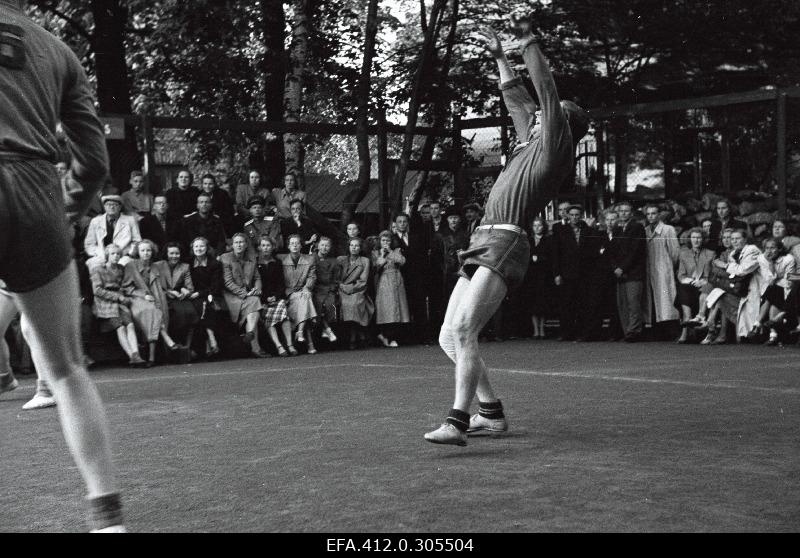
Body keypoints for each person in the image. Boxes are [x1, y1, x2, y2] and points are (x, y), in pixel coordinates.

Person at [424, 16, 588, 446]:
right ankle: (491, 415)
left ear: (560, 128)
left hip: (506, 241)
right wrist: (501, 58)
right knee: (449, 337)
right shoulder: (528, 143)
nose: (535, 118)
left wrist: (529, 43)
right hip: (483, 240)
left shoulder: (554, 150)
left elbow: (545, 96)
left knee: (463, 332)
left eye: (547, 118)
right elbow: (519, 100)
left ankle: (457, 421)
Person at [0, 0, 124, 530]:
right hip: (34, 192)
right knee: (70, 372)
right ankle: (108, 519)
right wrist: (65, 210)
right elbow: (94, 162)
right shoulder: (57, 48)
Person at [123, 239, 183, 366]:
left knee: (156, 310)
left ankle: (152, 358)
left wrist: (170, 292)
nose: (146, 253)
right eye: (143, 250)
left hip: (154, 297)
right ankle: (164, 343)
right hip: (136, 299)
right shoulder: (131, 266)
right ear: (138, 252)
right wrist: (143, 295)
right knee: (152, 311)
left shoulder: (155, 266)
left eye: (148, 250)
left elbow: (161, 286)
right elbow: (126, 288)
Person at [91, 245, 146, 366]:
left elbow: (125, 285)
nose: (115, 256)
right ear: (107, 255)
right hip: (105, 304)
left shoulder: (121, 269)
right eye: (112, 254)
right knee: (120, 327)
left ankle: (136, 354)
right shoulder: (98, 269)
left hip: (120, 303)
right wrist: (118, 297)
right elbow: (97, 290)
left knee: (130, 325)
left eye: (117, 254)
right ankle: (131, 356)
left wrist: (124, 296)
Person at [220, 233, 268, 358]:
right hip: (231, 296)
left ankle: (250, 334)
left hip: (247, 295)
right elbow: (228, 282)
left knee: (254, 303)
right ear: (232, 245)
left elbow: (257, 277)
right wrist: (246, 294)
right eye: (236, 242)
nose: (239, 245)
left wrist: (257, 288)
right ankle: (255, 346)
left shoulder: (251, 259)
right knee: (254, 303)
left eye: (241, 242)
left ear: (246, 244)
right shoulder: (225, 258)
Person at [552, 204, 596, 341]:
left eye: (577, 215)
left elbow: (592, 252)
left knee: (583, 304)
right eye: (572, 215)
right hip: (566, 273)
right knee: (566, 305)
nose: (574, 217)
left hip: (584, 273)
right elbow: (556, 253)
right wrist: (557, 274)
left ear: (581, 216)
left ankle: (582, 333)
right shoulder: (561, 230)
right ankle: (566, 333)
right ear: (568, 216)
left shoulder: (587, 230)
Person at [153, 242, 199, 358]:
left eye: (177, 253)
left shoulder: (185, 267)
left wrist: (185, 291)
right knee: (176, 313)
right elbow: (155, 287)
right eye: (171, 253)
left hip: (180, 298)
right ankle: (174, 346)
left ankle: (186, 346)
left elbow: (190, 287)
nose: (174, 256)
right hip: (163, 297)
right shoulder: (158, 265)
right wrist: (169, 292)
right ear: (166, 254)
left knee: (191, 312)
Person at [611, 202, 647, 342]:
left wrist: (622, 268)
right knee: (622, 303)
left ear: (631, 213)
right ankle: (627, 331)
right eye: (621, 211)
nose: (624, 214)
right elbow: (612, 251)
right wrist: (615, 267)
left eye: (626, 211)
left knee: (633, 303)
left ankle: (634, 331)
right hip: (619, 273)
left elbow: (635, 251)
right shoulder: (616, 229)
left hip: (634, 272)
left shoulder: (637, 227)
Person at [643, 204, 681, 336]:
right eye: (648, 214)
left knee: (666, 299)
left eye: (653, 213)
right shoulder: (645, 230)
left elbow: (675, 252)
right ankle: (656, 330)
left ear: (659, 214)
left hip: (664, 269)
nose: (651, 216)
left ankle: (670, 330)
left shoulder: (667, 229)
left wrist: (670, 267)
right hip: (650, 269)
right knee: (653, 300)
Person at [751, 237, 796, 345]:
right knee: (772, 292)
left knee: (773, 290)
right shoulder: (762, 258)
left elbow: (789, 282)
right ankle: (772, 335)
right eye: (766, 248)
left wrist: (775, 276)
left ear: (779, 249)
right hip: (772, 290)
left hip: (786, 290)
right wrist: (770, 264)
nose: (769, 251)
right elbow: (768, 280)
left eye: (772, 248)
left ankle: (757, 324)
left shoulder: (788, 259)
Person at [256, 236, 296, 356]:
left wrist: (276, 297)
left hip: (277, 297)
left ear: (273, 247)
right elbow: (256, 283)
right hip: (262, 299)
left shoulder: (277, 262)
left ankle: (290, 345)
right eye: (263, 245)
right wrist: (265, 298)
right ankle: (279, 346)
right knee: (268, 317)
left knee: (283, 314)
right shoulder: (255, 263)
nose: (265, 248)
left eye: (268, 245)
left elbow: (281, 283)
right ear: (259, 247)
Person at [280, 234, 319, 354]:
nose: (295, 245)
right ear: (288, 246)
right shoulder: (282, 260)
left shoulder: (309, 259)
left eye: (297, 243)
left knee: (305, 297)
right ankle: (309, 342)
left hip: (303, 291)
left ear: (301, 245)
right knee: (305, 301)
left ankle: (300, 331)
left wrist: (307, 287)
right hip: (289, 293)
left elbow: (312, 276)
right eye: (292, 243)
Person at [675, 228, 715, 343]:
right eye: (693, 237)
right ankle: (687, 318)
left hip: (705, 285)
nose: (696, 240)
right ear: (690, 239)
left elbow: (713, 274)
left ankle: (686, 328)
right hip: (689, 284)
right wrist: (691, 281)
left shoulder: (710, 254)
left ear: (703, 239)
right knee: (683, 287)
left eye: (699, 237)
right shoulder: (684, 254)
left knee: (684, 291)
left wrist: (702, 281)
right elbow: (681, 275)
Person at [372, 231, 410, 348]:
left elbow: (402, 261)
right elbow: (376, 266)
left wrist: (391, 252)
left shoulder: (396, 251)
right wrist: (383, 255)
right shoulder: (375, 252)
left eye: (388, 241)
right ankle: (385, 335)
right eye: (383, 240)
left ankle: (394, 336)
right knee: (386, 308)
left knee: (398, 308)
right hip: (384, 280)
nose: (385, 243)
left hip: (397, 279)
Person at [83, 194, 141, 270]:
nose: (111, 207)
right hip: (101, 255)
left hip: (122, 255)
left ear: (120, 207)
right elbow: (89, 243)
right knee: (93, 265)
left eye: (115, 205)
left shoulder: (130, 220)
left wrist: (129, 253)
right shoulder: (96, 221)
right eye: (108, 204)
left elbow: (137, 241)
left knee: (126, 265)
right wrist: (100, 253)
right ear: (104, 207)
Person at [188, 237, 223, 358]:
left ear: (207, 248)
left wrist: (199, 293)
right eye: (196, 246)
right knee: (201, 306)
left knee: (204, 305)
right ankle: (210, 340)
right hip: (192, 296)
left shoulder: (215, 264)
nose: (199, 248)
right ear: (192, 249)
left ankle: (210, 340)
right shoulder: (189, 264)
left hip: (210, 294)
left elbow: (216, 286)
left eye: (202, 246)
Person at [519, 217, 554, 339]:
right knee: (533, 303)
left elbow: (552, 256)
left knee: (543, 303)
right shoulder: (528, 241)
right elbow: (523, 257)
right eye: (535, 225)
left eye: (539, 225)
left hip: (544, 275)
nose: (537, 227)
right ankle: (535, 330)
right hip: (531, 276)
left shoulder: (548, 240)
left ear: (543, 226)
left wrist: (539, 258)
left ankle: (542, 329)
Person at [338, 238, 374, 350]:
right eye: (352, 245)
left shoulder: (365, 260)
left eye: (357, 246)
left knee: (355, 302)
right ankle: (360, 336)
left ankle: (354, 337)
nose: (354, 248)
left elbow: (363, 281)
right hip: (341, 289)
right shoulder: (341, 260)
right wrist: (343, 287)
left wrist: (350, 289)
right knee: (346, 303)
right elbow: (336, 278)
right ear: (348, 247)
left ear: (360, 248)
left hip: (357, 289)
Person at [180, 192, 227, 258]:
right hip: (193, 255)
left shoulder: (217, 221)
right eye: (201, 202)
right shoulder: (188, 221)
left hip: (212, 255)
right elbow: (184, 241)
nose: (204, 204)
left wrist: (218, 254)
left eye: (207, 202)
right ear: (197, 205)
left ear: (211, 205)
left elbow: (221, 241)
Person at [312, 236, 340, 344]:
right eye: (322, 245)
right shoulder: (311, 258)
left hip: (328, 289)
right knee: (318, 304)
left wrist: (332, 287)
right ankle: (327, 329)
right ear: (318, 246)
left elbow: (336, 279)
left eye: (327, 245)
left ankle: (326, 328)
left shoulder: (333, 261)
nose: (324, 248)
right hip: (315, 289)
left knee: (330, 304)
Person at [198, 172, 236, 236]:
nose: (207, 186)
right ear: (202, 184)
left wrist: (219, 216)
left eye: (210, 184)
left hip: (220, 221)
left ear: (214, 184)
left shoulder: (222, 194)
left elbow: (230, 211)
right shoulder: (199, 194)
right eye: (205, 184)